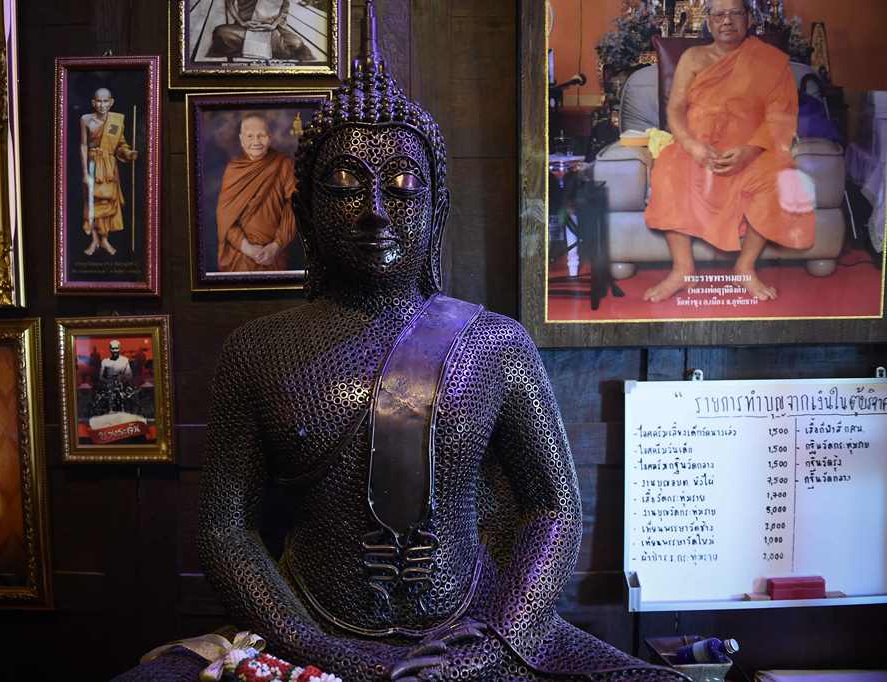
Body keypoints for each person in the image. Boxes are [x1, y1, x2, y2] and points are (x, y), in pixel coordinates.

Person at [117, 5, 686, 681]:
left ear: (436, 209)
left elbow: (553, 506)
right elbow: (224, 527)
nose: (376, 211)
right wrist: (321, 648)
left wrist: (498, 641)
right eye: (345, 186)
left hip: (474, 626)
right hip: (314, 627)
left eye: (403, 187)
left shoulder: (493, 344)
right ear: (305, 212)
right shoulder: (259, 351)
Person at [643, 0, 816, 303]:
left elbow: (781, 116)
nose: (727, 20)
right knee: (669, 170)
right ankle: (682, 269)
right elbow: (675, 109)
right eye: (719, 14)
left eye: (735, 13)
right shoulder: (693, 58)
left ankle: (744, 268)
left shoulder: (771, 61)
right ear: (708, 22)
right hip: (698, 146)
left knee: (778, 176)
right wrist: (692, 145)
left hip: (752, 148)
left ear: (749, 19)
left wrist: (749, 151)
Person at [215, 114, 297, 272]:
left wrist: (277, 245)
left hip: (274, 254)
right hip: (241, 255)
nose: (256, 141)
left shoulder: (283, 164)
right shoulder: (233, 170)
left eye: (261, 135)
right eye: (250, 136)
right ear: (241, 139)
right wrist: (248, 248)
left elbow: (294, 205)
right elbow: (225, 219)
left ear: (270, 137)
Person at [80, 87, 137, 256]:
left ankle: (104, 240)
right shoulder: (86, 120)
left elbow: (120, 145)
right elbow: (83, 146)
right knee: (93, 203)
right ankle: (94, 240)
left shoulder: (116, 121)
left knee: (108, 203)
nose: (102, 105)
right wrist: (85, 173)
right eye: (98, 101)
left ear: (111, 102)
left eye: (105, 101)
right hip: (92, 165)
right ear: (93, 102)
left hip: (110, 168)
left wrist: (128, 153)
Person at [207, 0, 314, 62]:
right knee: (221, 33)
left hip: (272, 30)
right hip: (244, 28)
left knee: (296, 43)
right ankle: (264, 47)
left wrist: (273, 25)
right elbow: (229, 3)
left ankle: (249, 46)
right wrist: (242, 22)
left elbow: (284, 8)